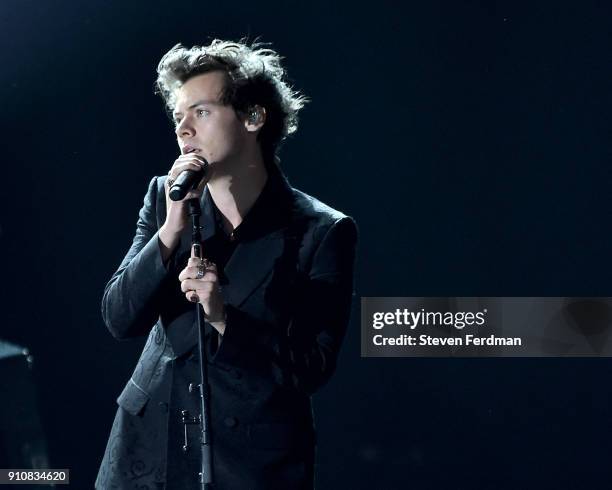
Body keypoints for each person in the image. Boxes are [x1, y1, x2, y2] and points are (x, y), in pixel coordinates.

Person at [96, 39, 358, 490]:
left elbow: (311, 367)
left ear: (253, 117)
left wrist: (222, 317)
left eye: (201, 112)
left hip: (250, 462)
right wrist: (168, 234)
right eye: (178, 117)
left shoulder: (321, 230)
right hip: (148, 450)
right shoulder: (165, 199)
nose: (184, 128)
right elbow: (119, 318)